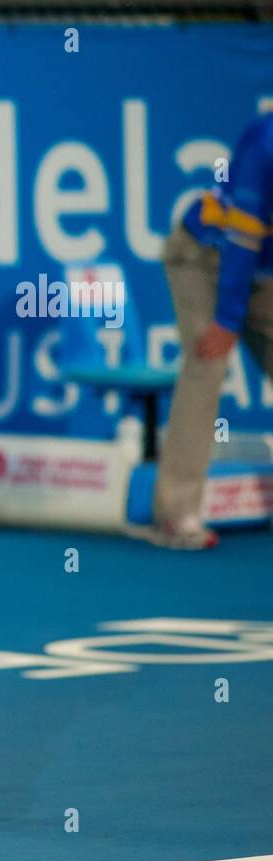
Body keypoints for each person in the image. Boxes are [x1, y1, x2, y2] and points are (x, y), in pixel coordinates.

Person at [150, 113, 273, 549]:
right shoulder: (265, 142)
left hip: (261, 270)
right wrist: (227, 318)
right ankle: (175, 514)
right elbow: (242, 241)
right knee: (208, 362)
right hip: (203, 257)